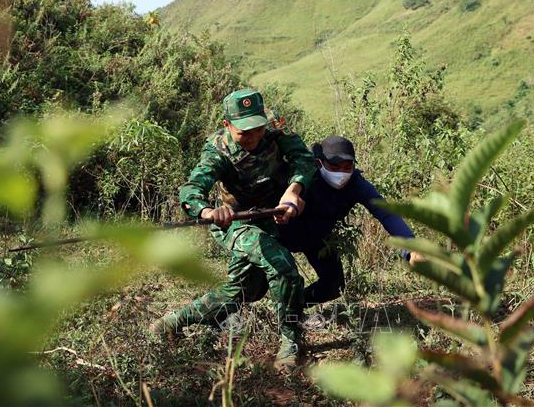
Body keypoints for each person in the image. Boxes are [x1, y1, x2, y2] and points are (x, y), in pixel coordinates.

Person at [151, 88, 316, 371]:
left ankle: (173, 322)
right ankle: (291, 341)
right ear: (227, 125)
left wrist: (293, 191)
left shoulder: (275, 128)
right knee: (283, 267)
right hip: (237, 223)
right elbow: (191, 190)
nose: (252, 137)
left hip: (270, 217)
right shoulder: (217, 150)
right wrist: (208, 211)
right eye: (244, 132)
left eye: (257, 129)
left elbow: (304, 159)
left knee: (244, 290)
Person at [276, 135, 422, 305]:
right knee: (271, 281)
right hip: (282, 231)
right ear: (319, 163)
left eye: (347, 167)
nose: (342, 173)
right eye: (335, 166)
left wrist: (411, 246)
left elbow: (385, 212)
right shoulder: (302, 178)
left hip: (319, 237)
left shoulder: (356, 184)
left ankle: (294, 307)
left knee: (333, 286)